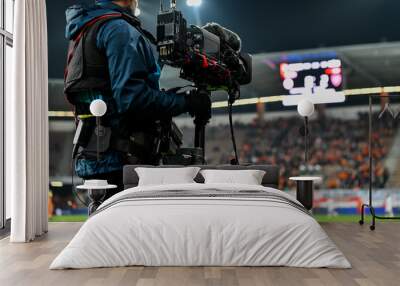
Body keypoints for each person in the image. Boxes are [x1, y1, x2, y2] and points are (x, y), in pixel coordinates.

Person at [64, 0, 211, 199]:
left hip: (96, 156)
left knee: (106, 225)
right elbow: (132, 98)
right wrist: (187, 102)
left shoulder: (86, 28)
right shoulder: (118, 29)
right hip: (121, 160)